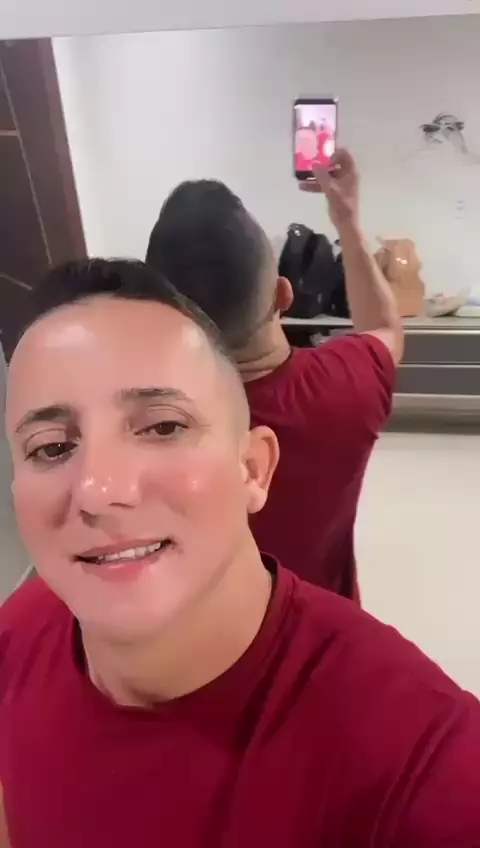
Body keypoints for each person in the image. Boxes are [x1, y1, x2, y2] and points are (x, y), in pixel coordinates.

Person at [1, 258, 480, 847]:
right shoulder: (18, 636)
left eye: (162, 427)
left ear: (253, 469)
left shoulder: (420, 764)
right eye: (51, 448)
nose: (99, 489)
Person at [146, 150, 404, 600]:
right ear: (284, 295)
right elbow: (385, 327)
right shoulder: (348, 383)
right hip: (325, 627)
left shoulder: (138, 427)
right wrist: (346, 221)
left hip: (192, 637)